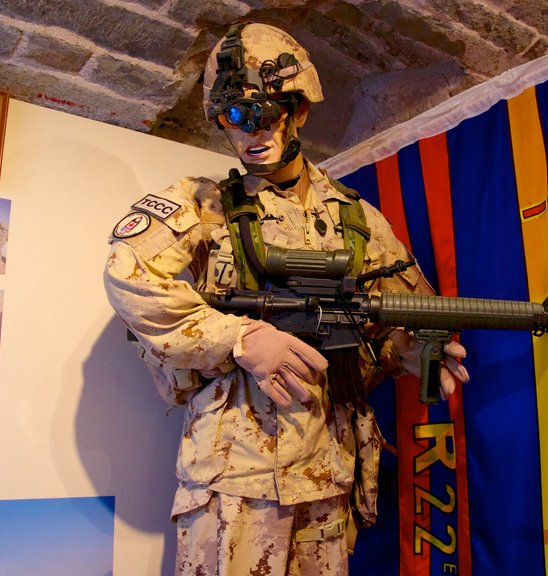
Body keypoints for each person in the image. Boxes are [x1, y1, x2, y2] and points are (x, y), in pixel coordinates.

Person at [104, 22, 469, 575]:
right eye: (233, 118)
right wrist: (240, 336)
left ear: (298, 109)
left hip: (327, 473)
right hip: (236, 481)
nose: (251, 131)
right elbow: (129, 277)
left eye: (265, 113)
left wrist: (412, 350)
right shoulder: (199, 205)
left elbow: (399, 314)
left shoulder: (357, 218)